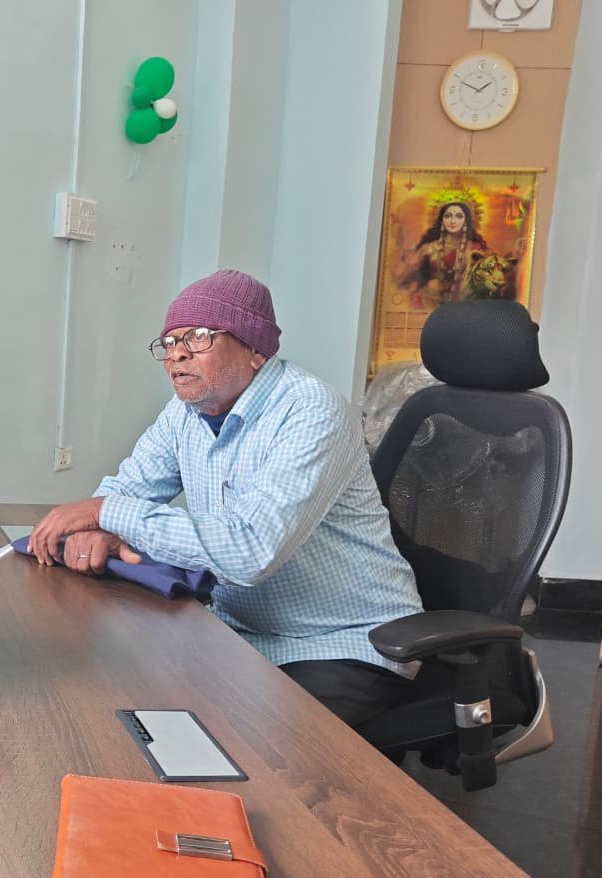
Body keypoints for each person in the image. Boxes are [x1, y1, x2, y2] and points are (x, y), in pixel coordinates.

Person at [29, 269, 424, 727]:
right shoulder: (185, 412)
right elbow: (127, 487)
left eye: (197, 338)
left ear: (255, 350)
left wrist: (105, 513)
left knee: (231, 744)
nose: (176, 354)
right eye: (169, 342)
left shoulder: (311, 410)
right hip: (241, 630)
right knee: (118, 692)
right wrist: (99, 524)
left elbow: (249, 552)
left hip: (344, 643)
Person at [394, 201, 490, 309]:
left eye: (459, 216)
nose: (453, 221)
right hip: (429, 301)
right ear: (441, 220)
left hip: (463, 304)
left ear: (466, 221)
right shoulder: (428, 248)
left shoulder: (475, 249)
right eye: (448, 216)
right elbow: (402, 279)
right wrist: (408, 260)